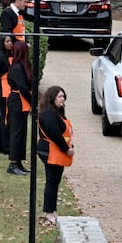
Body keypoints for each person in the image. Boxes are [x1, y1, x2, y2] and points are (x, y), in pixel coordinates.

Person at [37, 85, 74, 226]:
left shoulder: (58, 113)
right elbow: (55, 135)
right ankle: (48, 212)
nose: (62, 99)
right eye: (59, 96)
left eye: (63, 96)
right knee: (51, 182)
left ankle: (52, 209)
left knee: (55, 181)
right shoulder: (48, 115)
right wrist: (67, 149)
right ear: (52, 98)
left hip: (57, 151)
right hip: (50, 151)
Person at [6, 41, 32, 175]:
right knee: (16, 132)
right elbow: (22, 88)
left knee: (22, 132)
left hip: (21, 102)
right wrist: (32, 100)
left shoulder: (21, 66)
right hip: (17, 101)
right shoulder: (16, 68)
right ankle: (13, 163)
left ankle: (19, 161)